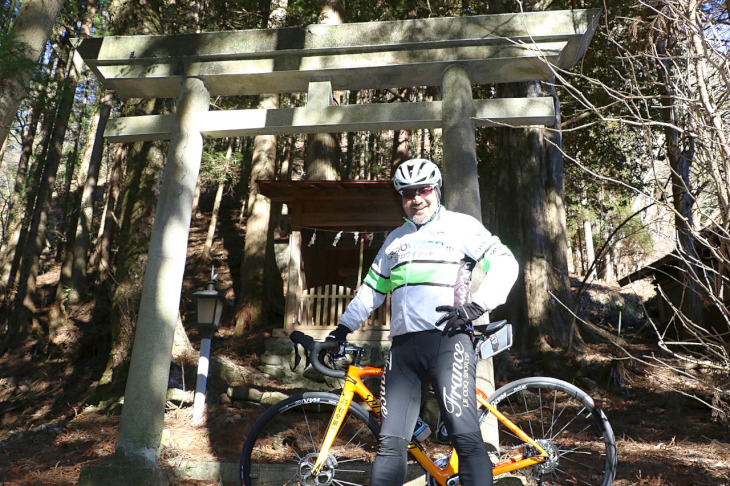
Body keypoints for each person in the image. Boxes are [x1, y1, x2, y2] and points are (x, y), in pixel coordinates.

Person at [328, 158, 519, 486]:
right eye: (407, 193)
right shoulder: (395, 240)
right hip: (402, 351)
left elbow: (506, 262)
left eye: (424, 190)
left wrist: (478, 305)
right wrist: (343, 328)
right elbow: (372, 291)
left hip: (449, 343)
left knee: (466, 437)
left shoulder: (461, 226)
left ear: (437, 191)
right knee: (390, 444)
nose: (416, 198)